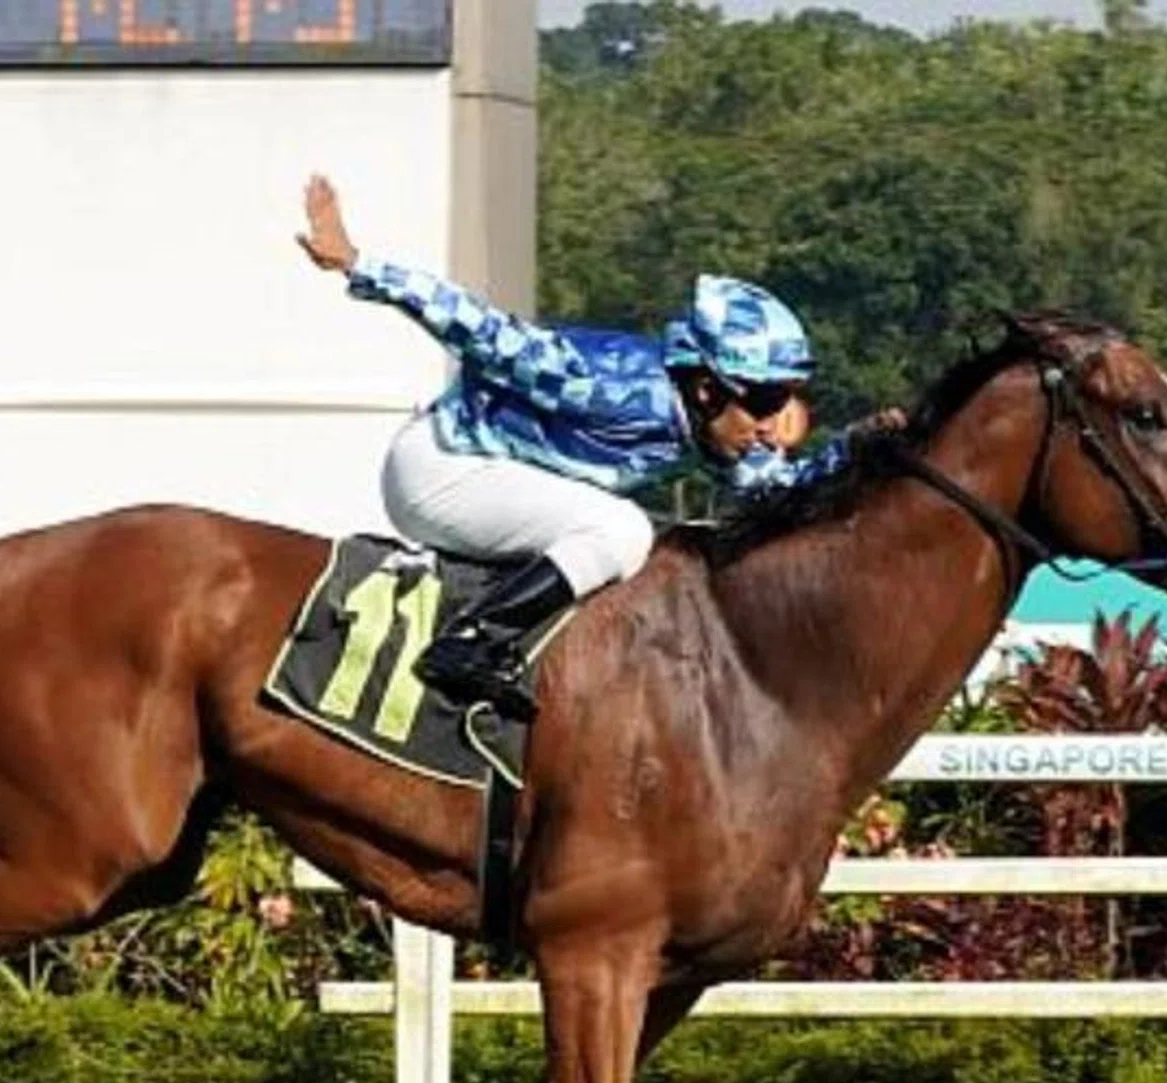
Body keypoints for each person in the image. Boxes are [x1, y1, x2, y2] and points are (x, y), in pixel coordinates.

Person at [297, 174, 905, 720]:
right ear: (703, 386)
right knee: (622, 532)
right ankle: (468, 644)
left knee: (635, 531)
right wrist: (357, 264)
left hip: (492, 475)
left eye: (785, 400)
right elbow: (481, 329)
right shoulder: (606, 384)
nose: (776, 424)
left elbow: (776, 488)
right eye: (766, 402)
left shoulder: (707, 421)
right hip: (440, 471)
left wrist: (862, 447)